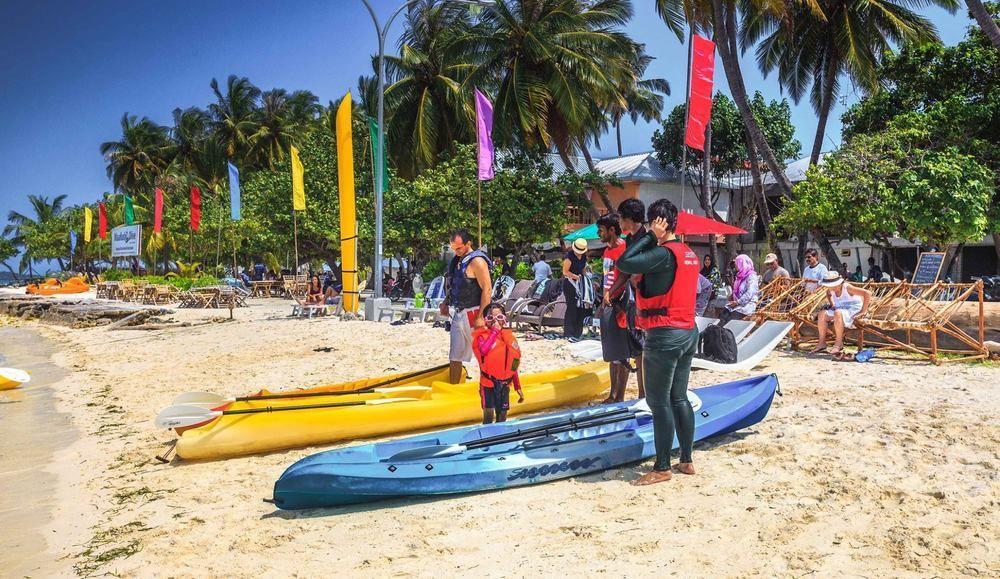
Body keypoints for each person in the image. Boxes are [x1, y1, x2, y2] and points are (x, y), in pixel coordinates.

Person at [616, 198, 700, 485]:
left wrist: (651, 236)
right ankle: (686, 460)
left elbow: (624, 261)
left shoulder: (664, 254)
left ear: (658, 223)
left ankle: (663, 466)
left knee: (658, 401)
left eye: (653, 224)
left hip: (665, 335)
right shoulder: (689, 253)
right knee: (679, 397)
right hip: (688, 332)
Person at [605, 198, 647, 398]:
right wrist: (610, 292)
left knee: (642, 350)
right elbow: (623, 272)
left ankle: (643, 394)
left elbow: (634, 273)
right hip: (632, 299)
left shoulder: (645, 239)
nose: (619, 221)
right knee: (635, 347)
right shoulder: (630, 240)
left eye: (621, 217)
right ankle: (629, 394)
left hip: (645, 299)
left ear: (630, 218)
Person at [441, 229, 493, 384]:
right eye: (453, 248)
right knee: (454, 355)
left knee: (482, 353)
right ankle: (454, 387)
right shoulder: (458, 261)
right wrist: (446, 302)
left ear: (468, 243)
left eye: (458, 248)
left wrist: (481, 316)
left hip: (474, 312)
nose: (456, 252)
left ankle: (490, 387)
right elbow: (456, 284)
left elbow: (487, 289)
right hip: (458, 312)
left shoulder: (477, 261)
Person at [471, 302, 524, 424]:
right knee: (488, 415)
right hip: (488, 383)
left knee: (502, 415)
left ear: (504, 319)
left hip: (505, 384)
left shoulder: (509, 339)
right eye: (490, 318)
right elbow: (484, 350)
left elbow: (513, 363)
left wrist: (517, 386)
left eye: (499, 318)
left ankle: (500, 439)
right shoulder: (481, 337)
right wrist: (494, 332)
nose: (495, 322)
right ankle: (486, 439)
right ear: (485, 321)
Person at [596, 213, 629, 403]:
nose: (599, 234)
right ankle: (612, 394)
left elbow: (624, 278)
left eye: (601, 230)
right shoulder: (607, 251)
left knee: (622, 353)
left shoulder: (624, 249)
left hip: (620, 305)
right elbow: (607, 278)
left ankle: (620, 397)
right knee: (610, 353)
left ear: (611, 230)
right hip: (607, 304)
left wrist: (613, 298)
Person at [811, 271, 872, 359]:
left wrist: (863, 311)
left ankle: (838, 343)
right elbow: (828, 294)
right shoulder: (831, 289)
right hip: (840, 309)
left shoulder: (847, 288)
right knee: (822, 313)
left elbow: (867, 293)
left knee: (837, 313)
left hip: (853, 309)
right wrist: (832, 304)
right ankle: (822, 343)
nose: (830, 287)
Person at [562, 238, 590, 340]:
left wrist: (587, 278)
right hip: (570, 284)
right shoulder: (569, 257)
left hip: (580, 284)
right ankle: (568, 333)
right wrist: (575, 277)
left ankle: (578, 332)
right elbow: (565, 272)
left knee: (581, 308)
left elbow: (583, 270)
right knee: (571, 308)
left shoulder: (583, 257)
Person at [724, 254, 760, 320]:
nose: (735, 266)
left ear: (742, 263)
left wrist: (738, 302)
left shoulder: (751, 276)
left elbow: (750, 292)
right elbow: (737, 290)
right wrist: (732, 296)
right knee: (723, 314)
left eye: (737, 263)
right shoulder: (739, 276)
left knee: (731, 319)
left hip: (747, 305)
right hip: (738, 304)